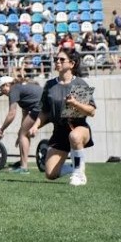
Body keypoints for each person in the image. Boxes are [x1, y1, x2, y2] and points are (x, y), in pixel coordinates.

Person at [28, 49, 96, 186]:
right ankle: (75, 166)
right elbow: (45, 112)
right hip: (59, 130)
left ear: (71, 64)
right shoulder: (50, 85)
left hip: (78, 127)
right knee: (50, 174)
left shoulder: (79, 84)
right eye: (56, 60)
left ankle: (79, 173)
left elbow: (91, 111)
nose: (57, 62)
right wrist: (35, 126)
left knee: (75, 137)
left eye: (61, 59)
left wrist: (75, 104)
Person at [0, 76, 43, 174]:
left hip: (40, 107)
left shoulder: (14, 89)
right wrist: (21, 132)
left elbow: (12, 114)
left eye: (2, 89)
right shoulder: (21, 89)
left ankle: (24, 168)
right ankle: (22, 163)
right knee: (23, 133)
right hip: (44, 107)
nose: (3, 93)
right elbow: (25, 114)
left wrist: (1, 130)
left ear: (7, 84)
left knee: (23, 134)